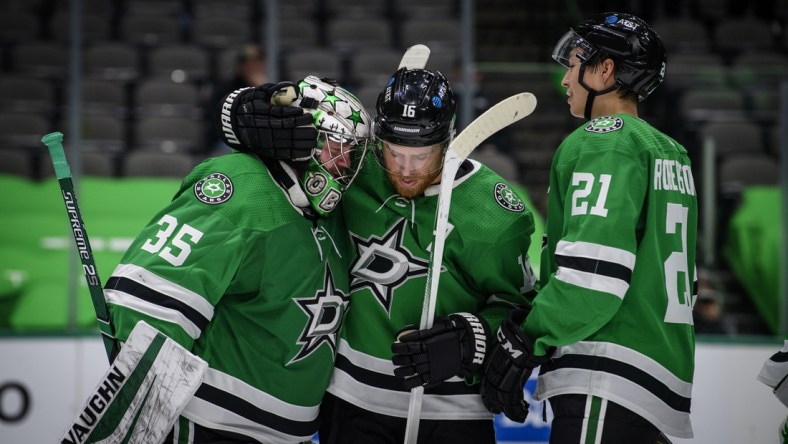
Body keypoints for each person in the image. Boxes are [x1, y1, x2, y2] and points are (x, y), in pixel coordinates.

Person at [220, 68, 538, 443]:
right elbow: (281, 137)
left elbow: (522, 308)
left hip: (453, 411)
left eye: (420, 156)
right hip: (351, 403)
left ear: (447, 140)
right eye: (393, 153)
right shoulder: (354, 168)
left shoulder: (493, 214)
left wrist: (471, 338)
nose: (404, 170)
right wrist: (241, 114)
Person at [105, 77, 372, 443]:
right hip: (211, 427)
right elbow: (149, 299)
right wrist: (146, 411)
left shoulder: (335, 219)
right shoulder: (244, 187)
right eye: (337, 147)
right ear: (304, 133)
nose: (344, 165)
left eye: (352, 153)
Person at [480, 12, 698, 443]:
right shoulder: (672, 152)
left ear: (605, 69)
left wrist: (526, 337)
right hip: (660, 379)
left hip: (608, 374)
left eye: (575, 62)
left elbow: (593, 279)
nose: (565, 79)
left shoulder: (603, 139)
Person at [207, 43, 269, 153]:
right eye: (249, 63)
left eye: (257, 63)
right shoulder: (225, 89)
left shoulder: (271, 87)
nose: (253, 67)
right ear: (240, 66)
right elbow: (219, 122)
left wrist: (262, 89)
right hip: (229, 139)